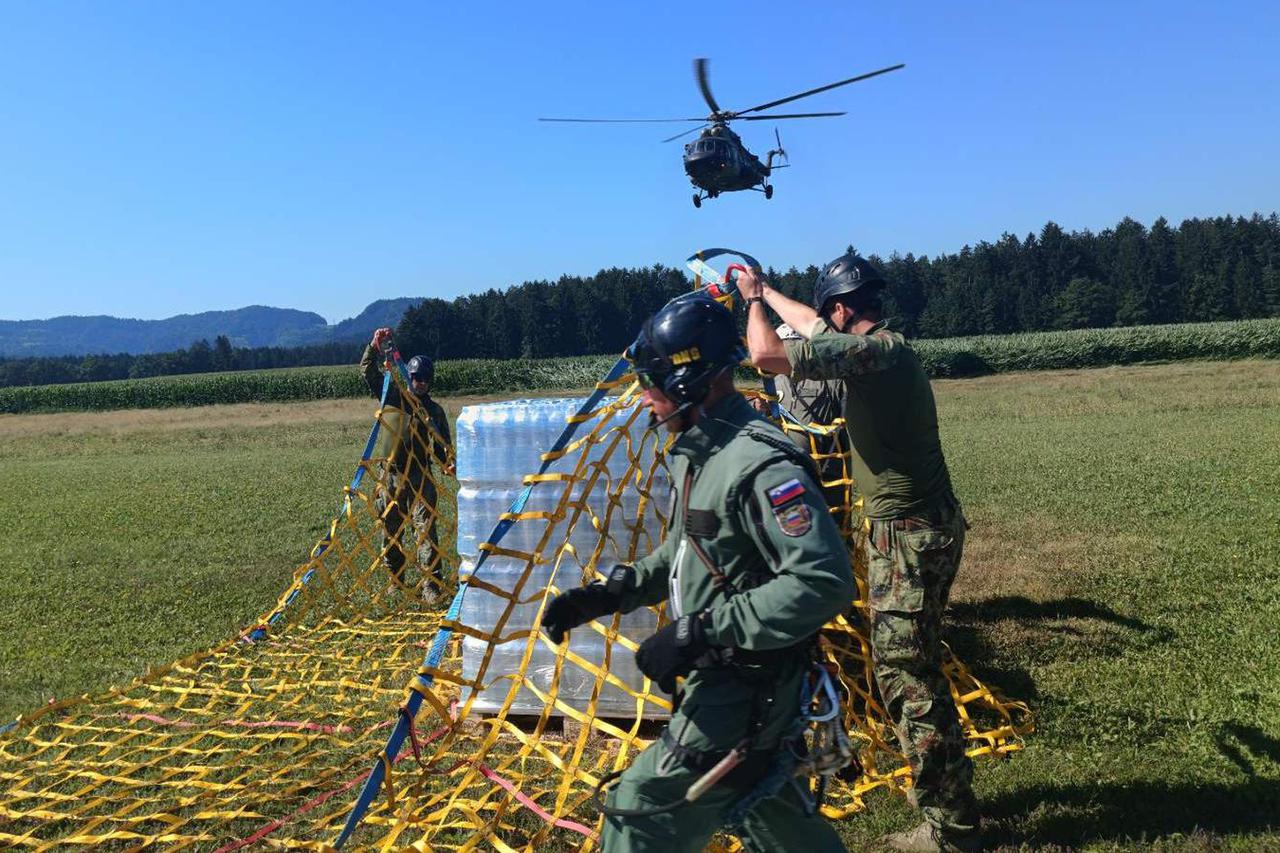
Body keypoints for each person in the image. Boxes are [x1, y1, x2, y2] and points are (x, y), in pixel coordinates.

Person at [539, 295, 855, 853]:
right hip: (736, 682)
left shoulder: (758, 464)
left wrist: (700, 631)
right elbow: (690, 553)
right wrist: (609, 594)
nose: (643, 397)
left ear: (690, 382)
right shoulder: (700, 452)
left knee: (637, 810)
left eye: (651, 380)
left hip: (745, 687)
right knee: (764, 805)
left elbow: (822, 580)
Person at [738, 257, 980, 853]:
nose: (824, 322)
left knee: (905, 675)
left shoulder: (878, 354)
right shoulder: (875, 347)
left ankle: (950, 829)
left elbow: (766, 357)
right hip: (918, 528)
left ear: (844, 309)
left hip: (909, 534)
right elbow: (814, 330)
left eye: (830, 313)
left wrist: (748, 305)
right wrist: (767, 291)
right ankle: (952, 801)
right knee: (913, 664)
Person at [361, 327, 454, 590]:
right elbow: (368, 372)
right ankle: (395, 580)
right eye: (416, 377)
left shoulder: (434, 412)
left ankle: (431, 585)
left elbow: (443, 446)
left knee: (425, 531)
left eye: (425, 378)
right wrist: (374, 346)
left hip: (420, 476)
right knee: (390, 531)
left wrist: (448, 462)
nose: (420, 382)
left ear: (430, 380)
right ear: (409, 376)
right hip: (390, 475)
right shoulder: (393, 396)